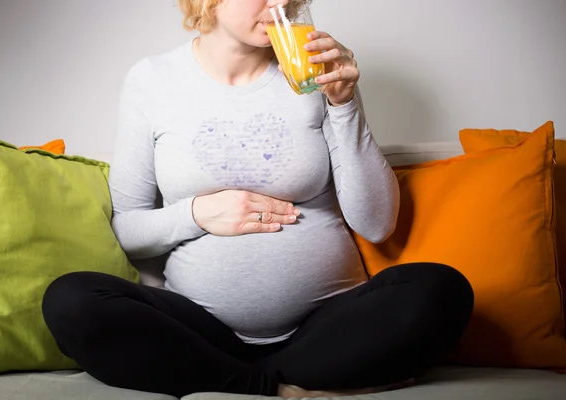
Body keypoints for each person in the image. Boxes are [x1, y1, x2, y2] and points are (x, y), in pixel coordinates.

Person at [41, 0, 475, 397]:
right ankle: (280, 384)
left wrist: (344, 106)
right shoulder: (153, 81)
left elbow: (377, 223)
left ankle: (236, 379)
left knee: (442, 290)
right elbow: (130, 230)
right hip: (198, 328)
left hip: (325, 325)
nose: (281, 3)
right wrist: (197, 214)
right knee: (70, 300)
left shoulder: (314, 71)